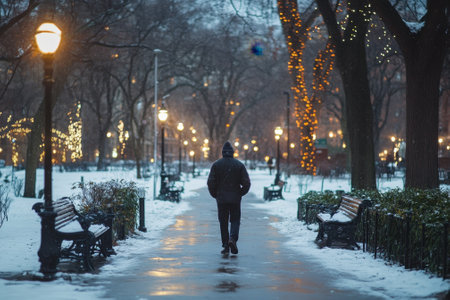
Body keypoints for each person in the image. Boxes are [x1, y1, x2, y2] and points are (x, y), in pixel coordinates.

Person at [207, 141, 251, 255]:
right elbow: (246, 183)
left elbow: (211, 182)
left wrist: (215, 194)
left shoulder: (216, 165)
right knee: (235, 220)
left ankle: (226, 245)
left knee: (223, 221)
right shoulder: (239, 165)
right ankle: (233, 238)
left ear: (222, 153)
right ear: (233, 153)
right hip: (235, 198)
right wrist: (240, 193)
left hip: (221, 198)